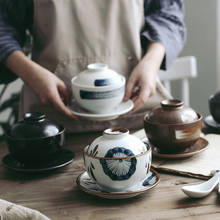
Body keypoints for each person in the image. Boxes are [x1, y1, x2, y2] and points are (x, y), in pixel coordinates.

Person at [0, 0, 186, 133]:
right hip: (51, 126)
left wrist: (151, 63)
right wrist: (29, 72)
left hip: (138, 124)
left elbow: (167, 14)